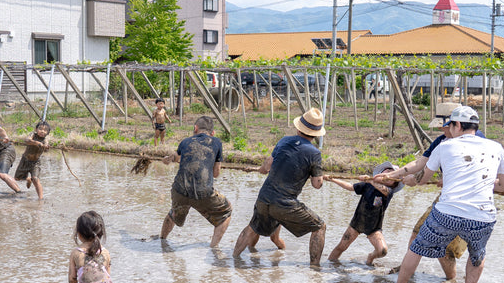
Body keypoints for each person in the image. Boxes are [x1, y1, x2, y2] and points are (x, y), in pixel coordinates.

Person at [384, 106, 504, 283]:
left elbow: (422, 177)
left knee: (416, 247)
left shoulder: (445, 146)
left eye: (450, 125)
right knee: (477, 256)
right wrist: (483, 183)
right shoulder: (496, 147)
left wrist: (411, 180)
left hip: (447, 214)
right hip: (482, 216)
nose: (448, 129)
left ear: (458, 125)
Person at [381, 110, 488, 280]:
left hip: (472, 202)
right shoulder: (442, 141)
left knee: (446, 249)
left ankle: (450, 281)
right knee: (418, 232)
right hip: (446, 198)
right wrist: (392, 175)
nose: (442, 131)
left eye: (444, 126)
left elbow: (480, 169)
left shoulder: (477, 139)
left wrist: (448, 178)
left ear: (456, 125)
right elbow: (420, 163)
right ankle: (407, 271)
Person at [233, 107, 327, 265]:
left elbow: (266, 167)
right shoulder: (314, 153)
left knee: (252, 227)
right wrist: (319, 176)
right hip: (284, 203)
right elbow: (317, 184)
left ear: (299, 127)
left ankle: (233, 258)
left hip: (264, 198)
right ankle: (315, 270)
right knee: (319, 226)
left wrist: (262, 169)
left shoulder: (283, 141)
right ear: (316, 133)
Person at [159, 115, 232, 247]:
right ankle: (213, 248)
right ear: (213, 133)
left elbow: (176, 157)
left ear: (195, 128)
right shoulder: (216, 142)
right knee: (226, 211)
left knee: (173, 214)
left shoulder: (185, 141)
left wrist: (167, 159)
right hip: (203, 192)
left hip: (180, 190)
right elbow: (216, 174)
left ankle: (162, 241)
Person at [325, 162, 403, 265]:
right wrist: (332, 179)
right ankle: (327, 265)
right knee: (341, 247)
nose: (388, 175)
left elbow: (382, 189)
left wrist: (370, 180)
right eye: (387, 171)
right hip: (357, 223)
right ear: (381, 172)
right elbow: (350, 187)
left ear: (394, 183)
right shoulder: (368, 185)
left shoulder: (389, 191)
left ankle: (370, 257)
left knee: (382, 250)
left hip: (374, 228)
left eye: (392, 175)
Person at [14, 121, 51, 200]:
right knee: (17, 178)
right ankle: (27, 179)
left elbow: (46, 149)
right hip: (25, 160)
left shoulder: (45, 140)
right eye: (40, 129)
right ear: (36, 129)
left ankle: (41, 199)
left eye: (45, 130)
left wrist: (46, 147)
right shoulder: (33, 135)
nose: (42, 131)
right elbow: (27, 140)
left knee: (35, 179)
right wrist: (36, 143)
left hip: (35, 163)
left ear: (47, 133)